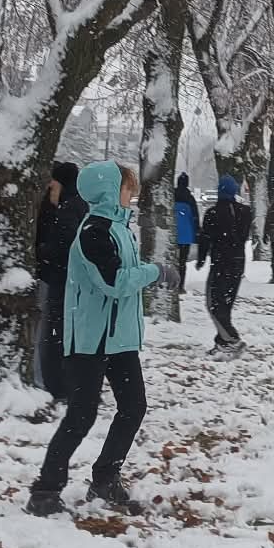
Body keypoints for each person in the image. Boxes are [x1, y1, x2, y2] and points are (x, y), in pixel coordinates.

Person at [26, 163, 170, 518]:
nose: (131, 194)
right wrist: (156, 272)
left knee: (133, 407)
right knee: (82, 414)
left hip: (119, 340)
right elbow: (115, 282)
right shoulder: (94, 231)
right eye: (127, 188)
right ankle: (45, 490)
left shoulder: (119, 228)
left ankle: (105, 477)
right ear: (109, 190)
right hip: (90, 341)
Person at [32, 161, 84, 397]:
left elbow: (63, 245)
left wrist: (41, 251)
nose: (50, 189)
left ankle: (52, 383)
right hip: (69, 280)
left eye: (53, 185)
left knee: (50, 333)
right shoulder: (78, 204)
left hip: (58, 278)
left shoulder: (66, 209)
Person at [198, 175, 253, 350]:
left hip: (220, 263)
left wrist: (201, 259)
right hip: (238, 262)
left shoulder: (213, 213)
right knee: (226, 303)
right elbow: (243, 236)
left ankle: (232, 339)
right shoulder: (245, 212)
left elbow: (205, 239)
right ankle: (222, 342)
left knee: (214, 304)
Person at [172, 174, 201, 287]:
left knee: (172, 260)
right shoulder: (190, 199)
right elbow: (195, 217)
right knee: (182, 262)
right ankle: (180, 285)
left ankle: (171, 282)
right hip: (186, 235)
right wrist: (197, 233)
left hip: (173, 234)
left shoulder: (171, 196)